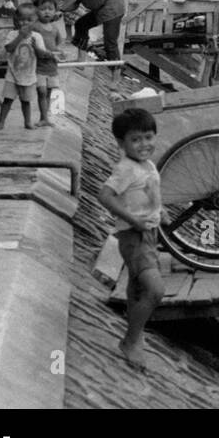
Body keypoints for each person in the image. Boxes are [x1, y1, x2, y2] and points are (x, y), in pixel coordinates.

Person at [97, 107, 164, 368]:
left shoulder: (146, 165)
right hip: (134, 236)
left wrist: (160, 211)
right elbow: (105, 195)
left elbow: (147, 193)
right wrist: (132, 219)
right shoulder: (126, 168)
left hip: (149, 233)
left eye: (148, 137)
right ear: (121, 143)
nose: (144, 144)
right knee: (155, 290)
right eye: (136, 140)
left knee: (137, 288)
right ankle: (132, 338)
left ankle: (134, 336)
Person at [0, 2, 51, 130]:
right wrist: (20, 36)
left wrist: (36, 46)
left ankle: (27, 122)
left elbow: (42, 54)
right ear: (16, 20)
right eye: (21, 20)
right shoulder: (12, 34)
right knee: (8, 99)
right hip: (12, 74)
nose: (24, 23)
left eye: (28, 20)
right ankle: (1, 122)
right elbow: (9, 48)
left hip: (29, 74)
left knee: (26, 101)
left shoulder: (37, 37)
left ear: (34, 21)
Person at [32, 0, 66, 127]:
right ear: (36, 11)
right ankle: (43, 117)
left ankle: (45, 117)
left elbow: (56, 44)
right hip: (38, 66)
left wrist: (60, 52)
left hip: (52, 67)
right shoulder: (35, 27)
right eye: (43, 9)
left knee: (50, 92)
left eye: (50, 9)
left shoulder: (55, 28)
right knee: (42, 91)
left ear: (55, 11)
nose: (47, 12)